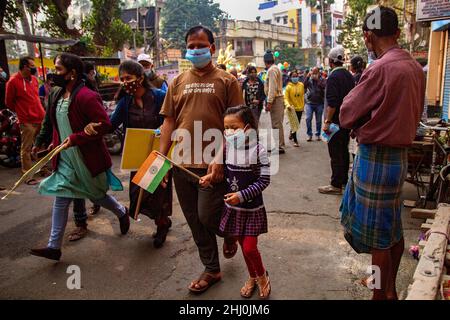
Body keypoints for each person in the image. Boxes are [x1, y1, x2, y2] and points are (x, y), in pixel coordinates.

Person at [339, 6, 425, 300]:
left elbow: (347, 114)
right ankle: (389, 289)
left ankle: (379, 294)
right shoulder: (413, 66)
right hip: (398, 159)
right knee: (392, 229)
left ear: (367, 37)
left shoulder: (379, 67)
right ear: (397, 34)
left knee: (378, 238)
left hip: (376, 157)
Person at [159, 25, 244, 293]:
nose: (196, 50)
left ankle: (229, 232)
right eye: (191, 46)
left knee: (208, 216)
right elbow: (169, 122)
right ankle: (212, 268)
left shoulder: (227, 81)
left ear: (213, 48)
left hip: (214, 163)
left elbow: (237, 126)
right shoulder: (177, 82)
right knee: (195, 220)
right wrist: (162, 158)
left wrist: (220, 159)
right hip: (181, 162)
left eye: (201, 45)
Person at [29, 53, 130, 261]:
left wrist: (77, 137)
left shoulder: (87, 96)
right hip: (65, 158)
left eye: (58, 70)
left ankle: (121, 212)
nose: (53, 74)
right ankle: (54, 246)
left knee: (96, 195)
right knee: (61, 197)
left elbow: (104, 124)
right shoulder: (55, 94)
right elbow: (50, 123)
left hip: (86, 157)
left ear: (72, 73)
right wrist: (41, 141)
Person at [84, 60, 171, 248]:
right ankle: (161, 219)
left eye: (128, 78)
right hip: (137, 155)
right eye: (122, 79)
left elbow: (171, 121)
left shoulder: (159, 96)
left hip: (159, 153)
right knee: (140, 194)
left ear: (140, 78)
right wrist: (94, 126)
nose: (125, 82)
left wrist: (162, 130)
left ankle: (162, 224)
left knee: (159, 193)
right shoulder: (125, 102)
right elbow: (111, 124)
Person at [199, 106, 271, 299]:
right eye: (226, 127)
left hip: (252, 209)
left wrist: (242, 195)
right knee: (243, 248)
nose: (229, 131)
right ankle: (252, 277)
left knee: (249, 247)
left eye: (234, 127)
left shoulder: (259, 150)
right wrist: (209, 178)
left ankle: (263, 277)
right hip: (233, 209)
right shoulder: (228, 148)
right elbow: (223, 176)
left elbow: (264, 181)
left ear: (248, 127)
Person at [318, 46, 355, 195]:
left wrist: (327, 121)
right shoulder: (348, 76)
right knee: (343, 152)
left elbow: (332, 103)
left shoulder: (333, 77)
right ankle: (344, 181)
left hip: (335, 122)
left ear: (331, 61)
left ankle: (336, 184)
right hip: (346, 120)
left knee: (335, 153)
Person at [5, 56, 45, 184]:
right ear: (24, 67)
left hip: (40, 117)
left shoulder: (34, 80)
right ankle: (28, 176)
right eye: (31, 66)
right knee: (26, 148)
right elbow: (9, 102)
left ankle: (42, 169)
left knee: (40, 146)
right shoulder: (12, 82)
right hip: (26, 120)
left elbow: (36, 97)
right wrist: (22, 111)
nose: (34, 68)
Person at [263, 51, 285, 154]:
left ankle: (279, 146)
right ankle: (278, 145)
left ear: (265, 61)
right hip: (277, 99)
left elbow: (272, 87)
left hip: (276, 99)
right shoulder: (275, 68)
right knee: (277, 124)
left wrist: (269, 102)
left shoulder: (271, 70)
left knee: (276, 124)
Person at [348, 56, 366, 159]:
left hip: (357, 115)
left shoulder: (355, 78)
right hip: (365, 115)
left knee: (355, 146)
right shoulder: (366, 75)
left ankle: (355, 164)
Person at [303, 67, 326, 142]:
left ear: (319, 73)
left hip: (319, 103)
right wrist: (307, 76)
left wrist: (318, 80)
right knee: (308, 118)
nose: (314, 74)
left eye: (316, 73)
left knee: (318, 120)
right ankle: (309, 134)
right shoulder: (309, 79)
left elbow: (324, 86)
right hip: (309, 103)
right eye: (313, 72)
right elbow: (304, 85)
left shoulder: (322, 79)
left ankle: (318, 134)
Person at [284, 70, 305, 147]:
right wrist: (288, 105)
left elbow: (302, 96)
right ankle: (295, 140)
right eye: (293, 76)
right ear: (290, 77)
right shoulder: (288, 87)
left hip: (300, 108)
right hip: (291, 108)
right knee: (294, 125)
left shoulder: (301, 85)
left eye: (296, 76)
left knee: (297, 123)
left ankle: (291, 133)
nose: (295, 78)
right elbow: (285, 98)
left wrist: (303, 105)